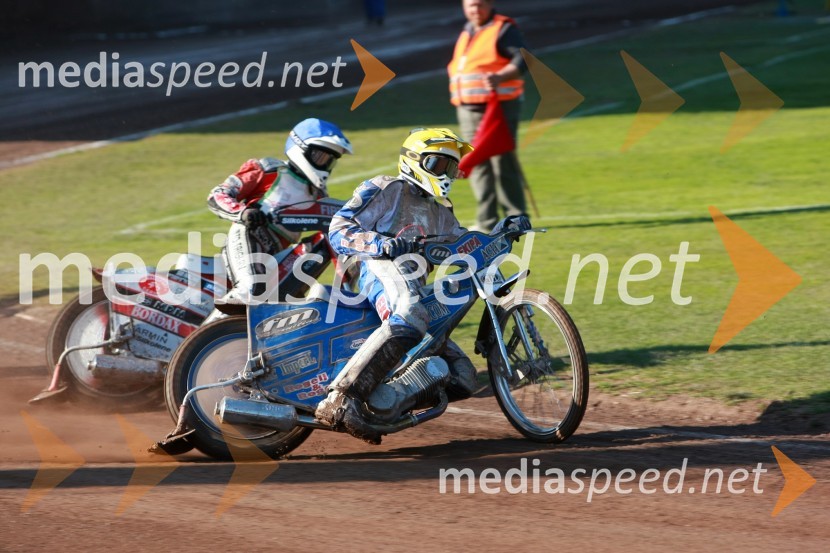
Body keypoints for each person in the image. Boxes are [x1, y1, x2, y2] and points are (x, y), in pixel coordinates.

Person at [315, 128, 481, 445]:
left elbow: (462, 243)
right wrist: (381, 243)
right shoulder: (385, 188)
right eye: (437, 164)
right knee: (410, 312)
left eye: (450, 167)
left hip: (413, 290)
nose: (444, 174)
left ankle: (380, 408)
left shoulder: (441, 212)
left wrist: (501, 233)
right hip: (374, 270)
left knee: (463, 376)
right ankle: (340, 398)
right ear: (413, 161)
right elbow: (339, 227)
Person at [207, 118, 353, 304]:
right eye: (320, 157)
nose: (325, 165)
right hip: (248, 237)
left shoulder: (318, 194)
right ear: (300, 148)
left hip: (278, 254)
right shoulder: (267, 169)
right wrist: (243, 212)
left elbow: (331, 231)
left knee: (282, 300)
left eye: (330, 161)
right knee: (251, 292)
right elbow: (217, 195)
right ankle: (213, 330)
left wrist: (347, 276)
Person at [448, 0, 529, 232]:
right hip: (468, 108)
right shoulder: (468, 30)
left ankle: (516, 218)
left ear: (490, 4)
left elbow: (522, 59)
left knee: (502, 161)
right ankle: (487, 220)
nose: (475, 10)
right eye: (471, 5)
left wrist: (501, 77)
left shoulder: (503, 29)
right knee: (477, 163)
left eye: (480, 4)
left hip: (497, 107)